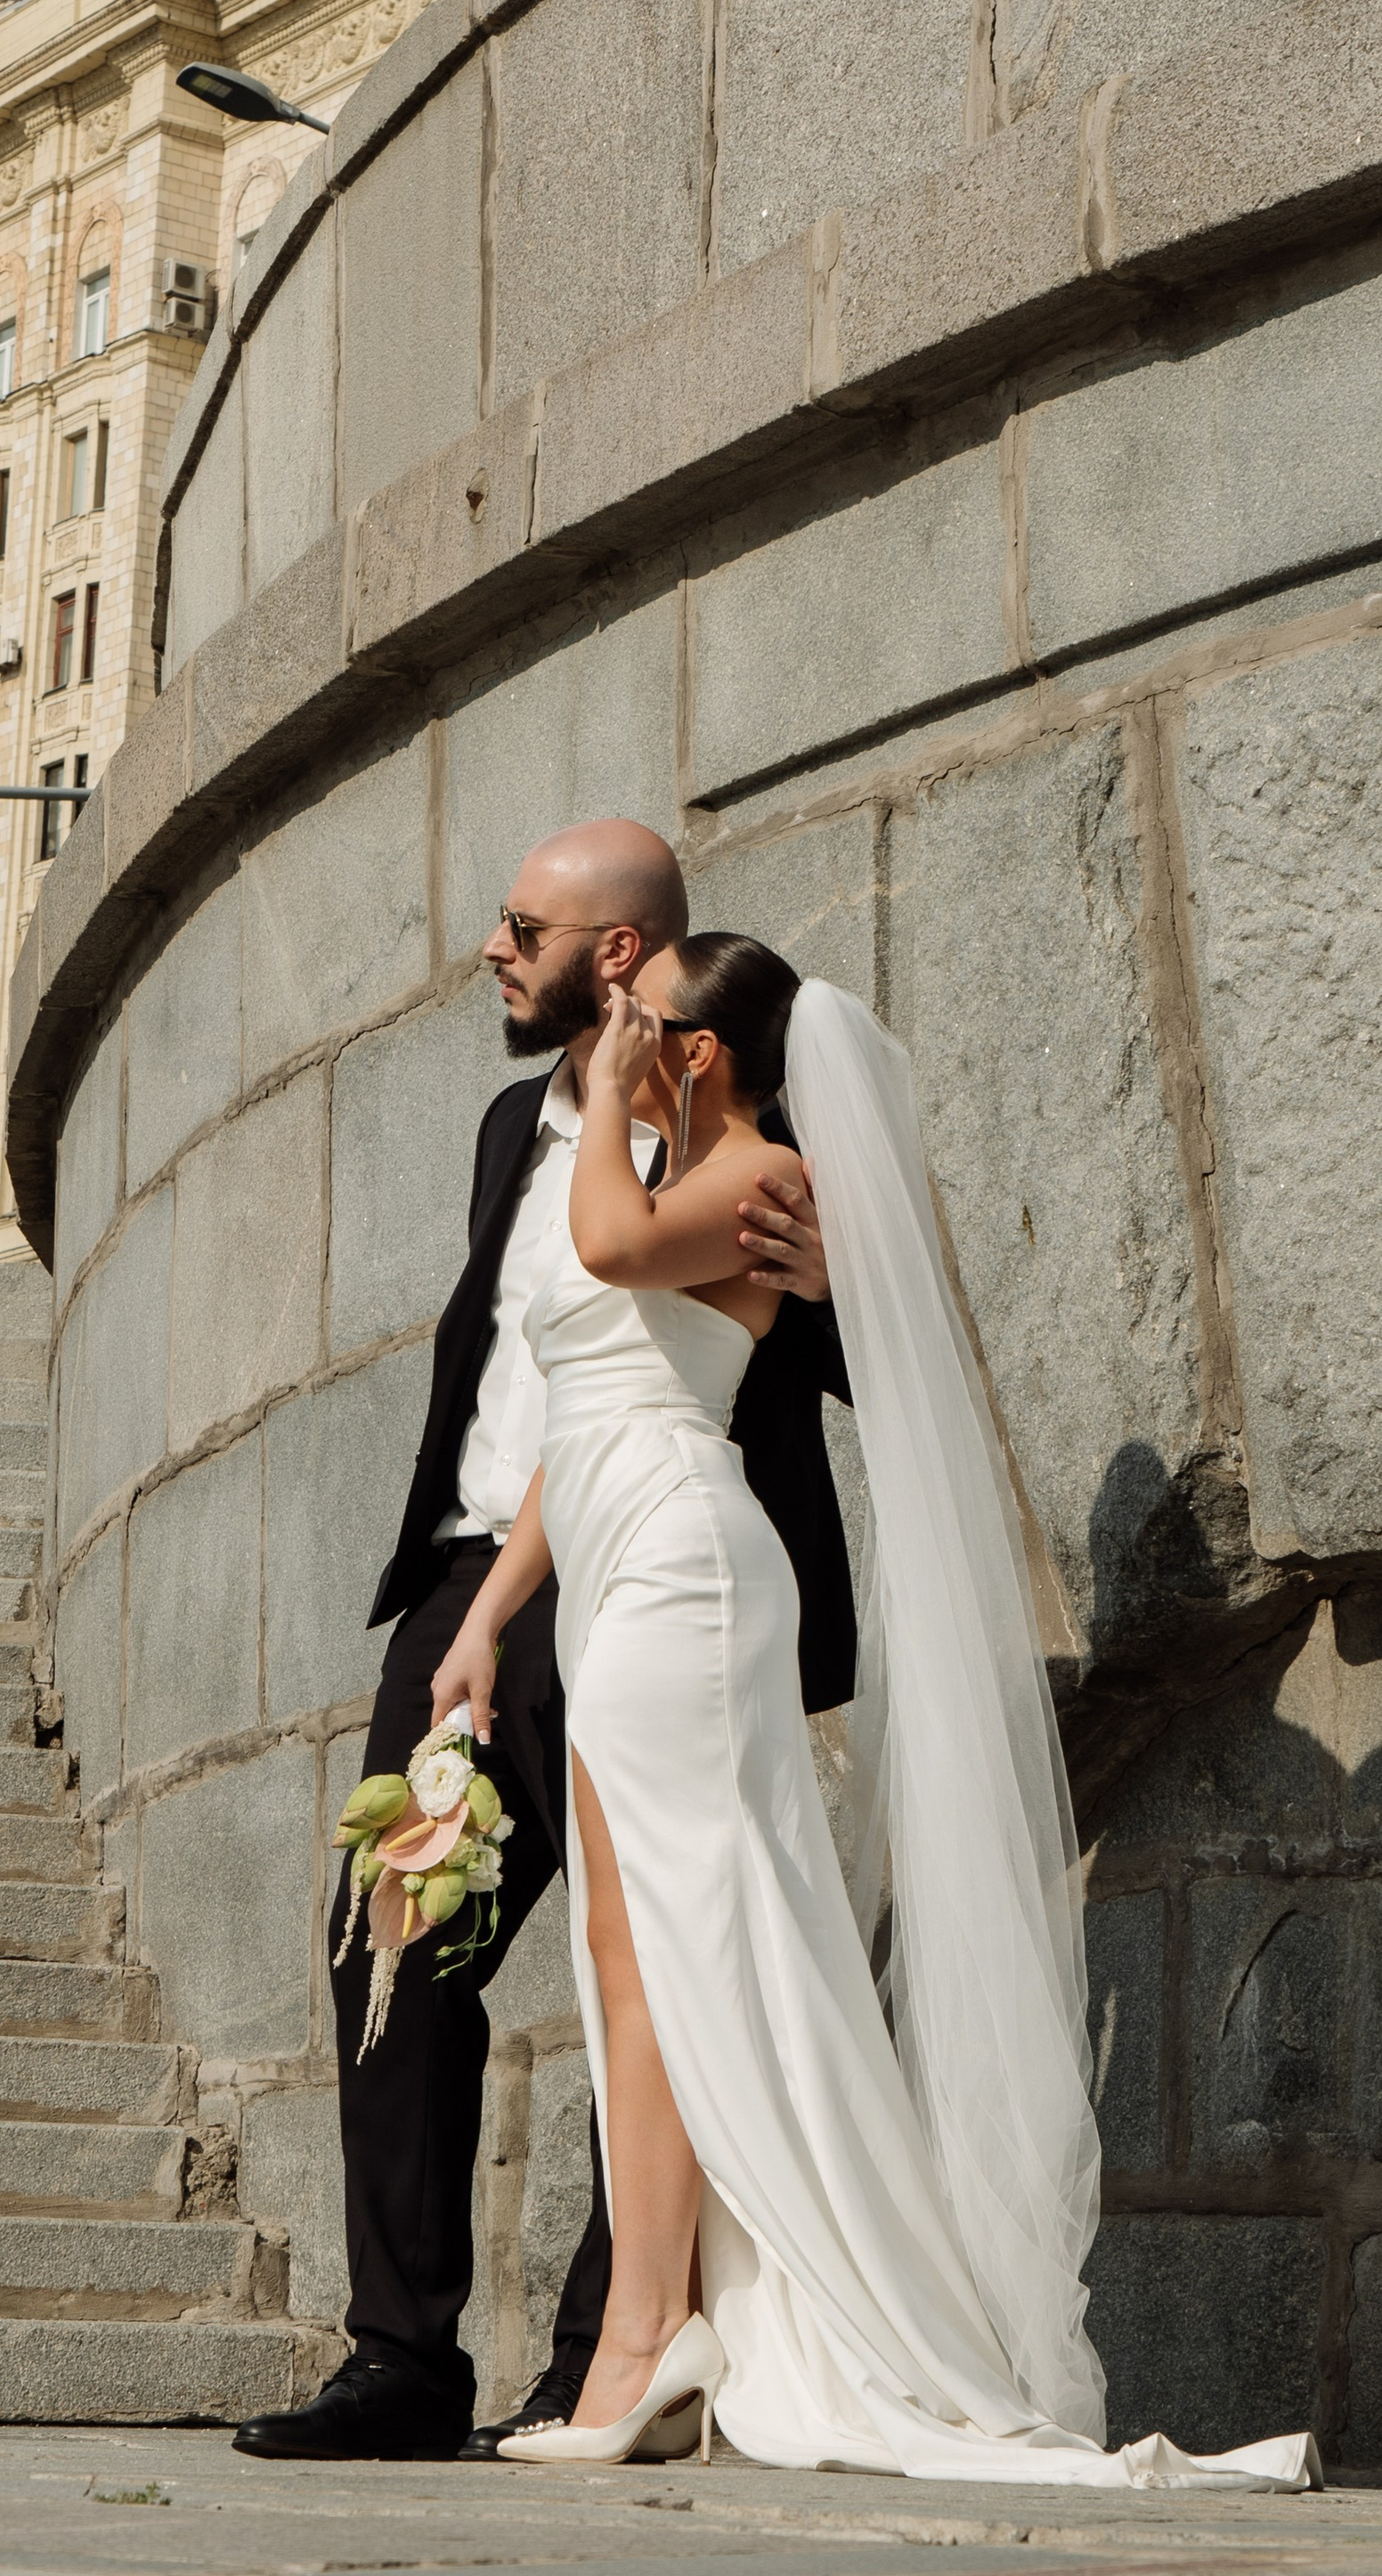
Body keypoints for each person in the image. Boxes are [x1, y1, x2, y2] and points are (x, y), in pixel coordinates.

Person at [426, 934, 1316, 2491]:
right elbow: (582, 1414)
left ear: (704, 1055)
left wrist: (619, 1094)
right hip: (614, 1551)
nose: (620, 1034)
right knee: (630, 1963)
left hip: (693, 1575)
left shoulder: (750, 1180)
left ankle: (644, 2333)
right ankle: (658, 2323)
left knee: (689, 1957)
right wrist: (491, 1616)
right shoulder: (666, 1167)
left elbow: (618, 1251)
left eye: (653, 1024)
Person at [232, 823, 853, 2466]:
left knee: (646, 1951)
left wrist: (832, 1279)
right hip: (491, 1565)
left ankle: (609, 2349)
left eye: (526, 925)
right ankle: (402, 2356)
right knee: (401, 1911)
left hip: (664, 1556)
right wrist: (478, 1608)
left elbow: (848, 1342)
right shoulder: (521, 1119)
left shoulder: (729, 1119)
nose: (493, 948)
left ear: (626, 952)